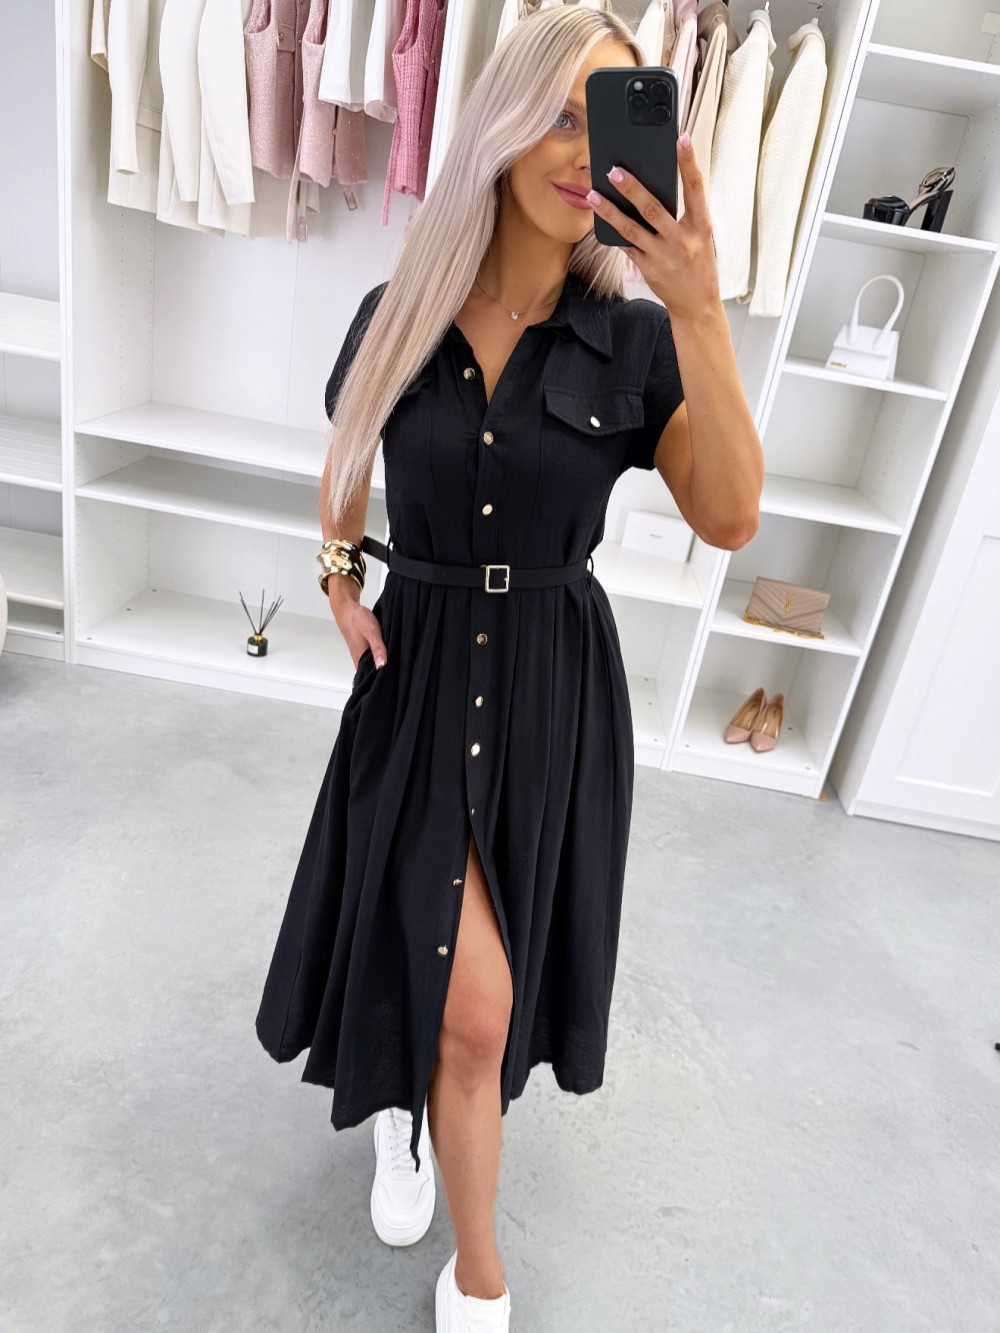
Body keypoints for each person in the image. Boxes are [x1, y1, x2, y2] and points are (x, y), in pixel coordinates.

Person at [255, 8, 763, 1330]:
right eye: (557, 115)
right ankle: (478, 1272)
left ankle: (422, 1098)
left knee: (483, 995)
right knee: (473, 1005)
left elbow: (729, 515)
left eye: (609, 122)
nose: (583, 151)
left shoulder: (636, 343)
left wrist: (700, 306)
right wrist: (336, 572)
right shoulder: (398, 313)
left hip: (548, 691)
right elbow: (348, 448)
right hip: (419, 675)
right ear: (496, 125)